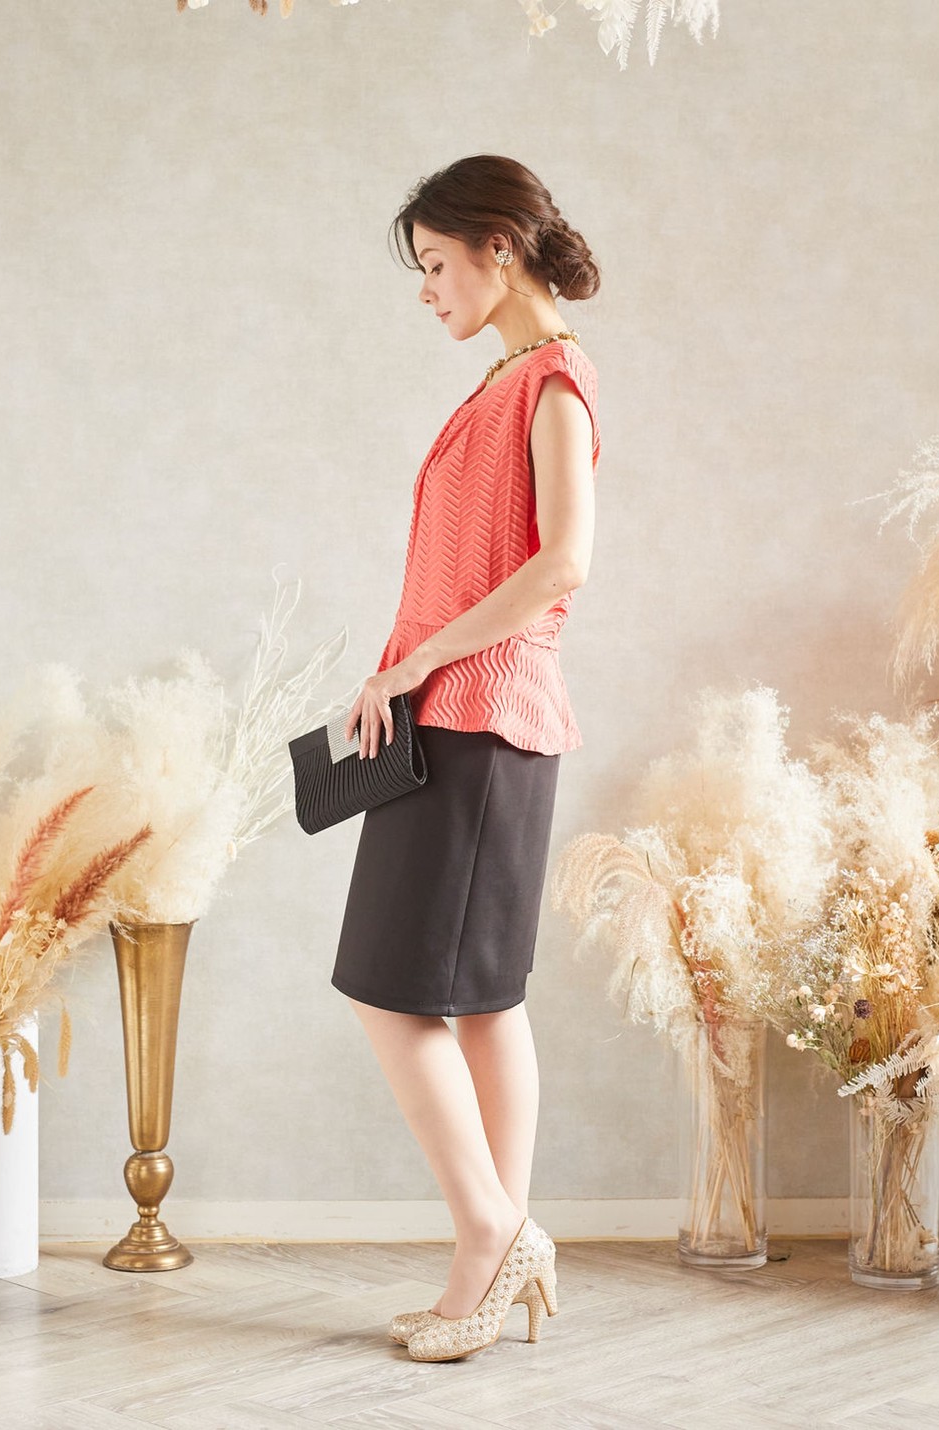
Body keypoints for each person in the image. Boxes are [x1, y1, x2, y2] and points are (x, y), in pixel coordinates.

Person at [334, 154, 600, 1363]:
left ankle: (492, 1232)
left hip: (479, 718)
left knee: (390, 987)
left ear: (500, 246)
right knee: (485, 997)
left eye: (437, 262)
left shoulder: (553, 382)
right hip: (455, 714)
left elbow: (562, 564)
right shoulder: (501, 383)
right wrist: (395, 670)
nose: (426, 287)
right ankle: (494, 1249)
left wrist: (415, 666)